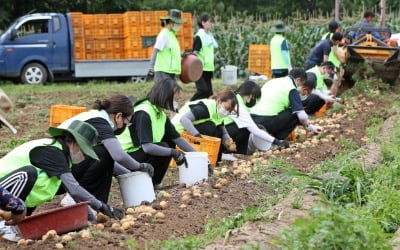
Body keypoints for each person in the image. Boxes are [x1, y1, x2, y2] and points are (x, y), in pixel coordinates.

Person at [0, 120, 123, 219]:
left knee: (44, 184)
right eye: (84, 151)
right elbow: (74, 189)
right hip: (4, 188)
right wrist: (103, 207)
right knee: (28, 174)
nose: (84, 157)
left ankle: (11, 222)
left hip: (17, 196)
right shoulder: (52, 151)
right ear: (74, 143)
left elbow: (71, 191)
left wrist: (91, 217)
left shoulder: (62, 156)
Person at [58, 95, 154, 206]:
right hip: (62, 172)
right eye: (126, 122)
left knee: (105, 154)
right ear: (118, 116)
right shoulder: (100, 121)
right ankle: (78, 198)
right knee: (105, 152)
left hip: (63, 169)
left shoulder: (94, 117)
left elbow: (107, 162)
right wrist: (140, 166)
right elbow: (118, 155)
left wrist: (130, 175)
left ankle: (91, 202)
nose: (125, 126)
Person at [117, 79, 196, 187]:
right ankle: (148, 184)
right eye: (175, 99)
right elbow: (147, 148)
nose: (176, 102)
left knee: (169, 142)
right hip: (126, 157)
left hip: (139, 153)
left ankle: (154, 183)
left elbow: (177, 138)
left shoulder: (160, 114)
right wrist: (173, 152)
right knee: (164, 147)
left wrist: (199, 156)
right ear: (165, 96)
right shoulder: (143, 113)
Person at [250, 68, 323, 140]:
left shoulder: (273, 81)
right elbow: (302, 116)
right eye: (302, 84)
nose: (301, 87)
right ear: (298, 80)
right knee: (295, 113)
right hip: (266, 121)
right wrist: (310, 127)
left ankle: (265, 134)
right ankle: (278, 140)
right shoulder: (291, 89)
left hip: (252, 119)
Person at [223, 81, 289, 154]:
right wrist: (276, 141)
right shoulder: (238, 106)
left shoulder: (235, 98)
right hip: (224, 135)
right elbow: (255, 130)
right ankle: (234, 152)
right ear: (251, 95)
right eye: (254, 97)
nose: (253, 99)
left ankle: (239, 152)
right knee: (246, 128)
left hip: (224, 131)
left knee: (248, 127)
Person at [172, 90, 239, 161]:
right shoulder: (205, 108)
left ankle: (215, 159)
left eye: (230, 111)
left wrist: (229, 142)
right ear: (219, 102)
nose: (227, 112)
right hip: (178, 133)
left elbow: (223, 132)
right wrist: (198, 137)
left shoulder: (218, 112)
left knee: (217, 128)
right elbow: (184, 119)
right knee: (210, 127)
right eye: (226, 108)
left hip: (188, 132)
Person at [149, 9, 186, 84]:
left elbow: (171, 52)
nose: (179, 25)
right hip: (163, 72)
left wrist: (182, 55)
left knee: (172, 93)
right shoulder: (164, 35)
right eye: (177, 23)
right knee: (164, 94)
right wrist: (151, 67)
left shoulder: (172, 35)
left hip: (170, 72)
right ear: (171, 22)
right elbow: (156, 50)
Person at [190, 13, 218, 101]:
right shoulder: (199, 37)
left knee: (209, 93)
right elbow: (194, 54)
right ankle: (189, 104)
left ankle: (203, 111)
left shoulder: (210, 36)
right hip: (199, 69)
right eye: (210, 22)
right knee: (203, 90)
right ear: (203, 23)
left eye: (212, 22)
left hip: (208, 69)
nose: (212, 24)